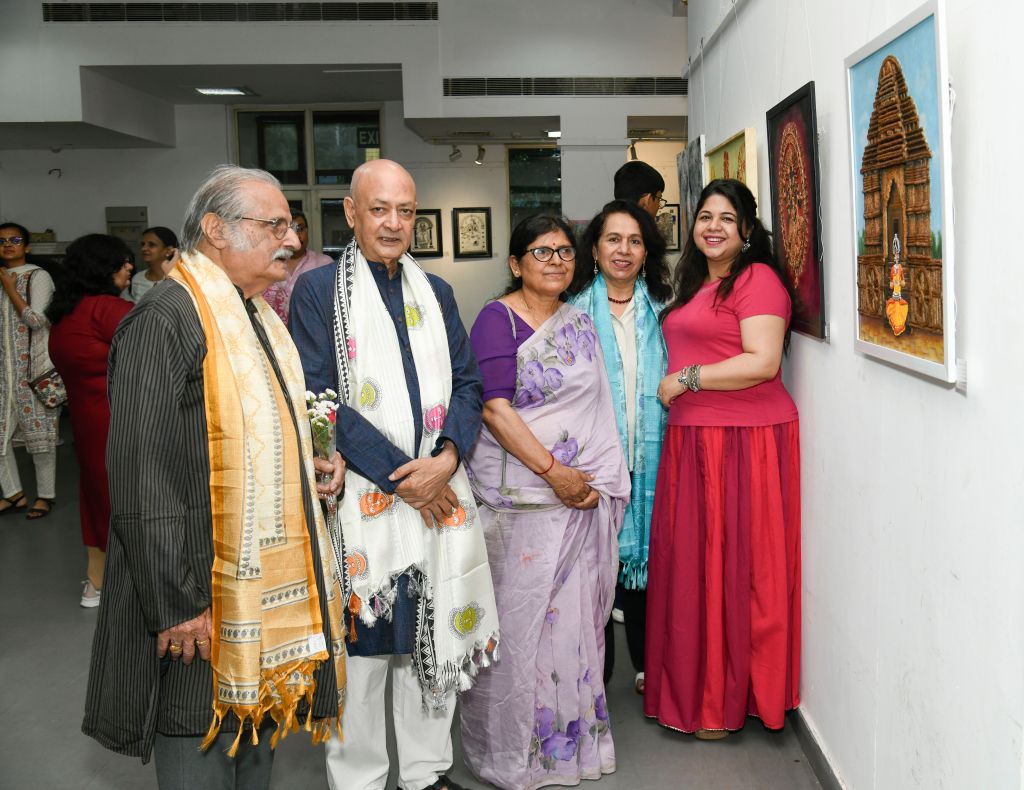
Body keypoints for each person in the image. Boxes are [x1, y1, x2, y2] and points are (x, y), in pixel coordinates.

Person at [82, 165, 348, 788]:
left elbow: (249, 435)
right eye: (273, 224)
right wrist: (178, 604)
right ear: (214, 230)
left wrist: (302, 463)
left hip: (251, 584)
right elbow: (145, 474)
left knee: (254, 742)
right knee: (196, 734)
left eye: (290, 224)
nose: (291, 239)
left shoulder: (252, 315)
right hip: (196, 586)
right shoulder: (166, 319)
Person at [289, 159, 497, 790]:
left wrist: (448, 460)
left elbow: (468, 384)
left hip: (440, 487)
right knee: (364, 646)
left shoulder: (434, 292)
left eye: (405, 210)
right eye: (379, 208)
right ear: (350, 214)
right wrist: (406, 480)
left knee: (428, 636)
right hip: (362, 499)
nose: (393, 222)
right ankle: (358, 778)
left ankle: (427, 773)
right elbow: (317, 395)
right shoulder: (318, 292)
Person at [461, 214, 630, 790]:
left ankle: (568, 750)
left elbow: (598, 411)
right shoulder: (496, 320)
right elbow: (495, 410)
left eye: (564, 252)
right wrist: (556, 474)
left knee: (574, 625)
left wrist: (592, 483)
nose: (556, 261)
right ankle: (515, 755)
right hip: (521, 504)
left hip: (579, 503)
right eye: (541, 252)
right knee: (521, 629)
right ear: (515, 263)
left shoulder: (579, 323)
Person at [648, 178, 801, 738]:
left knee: (735, 571)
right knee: (695, 568)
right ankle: (697, 687)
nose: (712, 227)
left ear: (747, 230)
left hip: (743, 439)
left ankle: (725, 699)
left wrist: (685, 379)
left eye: (726, 219)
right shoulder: (696, 282)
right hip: (695, 438)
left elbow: (762, 362)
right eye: (704, 217)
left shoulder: (757, 280)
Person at [567, 200, 672, 696]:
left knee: (647, 564)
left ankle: (649, 665)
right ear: (595, 249)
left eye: (634, 241)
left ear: (646, 251)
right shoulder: (571, 315)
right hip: (592, 465)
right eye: (613, 239)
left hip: (653, 459)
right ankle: (597, 672)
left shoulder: (667, 311)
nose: (623, 250)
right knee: (592, 568)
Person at [46, 234, 134, 607]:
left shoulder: (65, 312)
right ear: (105, 268)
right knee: (131, 501)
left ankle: (96, 582)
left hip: (87, 421)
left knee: (96, 500)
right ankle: (134, 588)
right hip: (123, 421)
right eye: (123, 263)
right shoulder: (108, 309)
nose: (130, 269)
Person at [0, 221, 61, 520]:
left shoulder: (39, 276)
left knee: (41, 440)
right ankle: (14, 493)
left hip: (33, 373)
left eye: (15, 239)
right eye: (2, 241)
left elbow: (38, 320)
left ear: (27, 246)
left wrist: (11, 289)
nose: (8, 244)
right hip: (3, 375)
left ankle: (45, 496)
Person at [262, 211, 332, 324]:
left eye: (300, 229)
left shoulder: (324, 264)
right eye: (289, 230)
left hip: (311, 335)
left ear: (308, 231)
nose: (297, 236)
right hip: (272, 335)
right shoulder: (266, 264)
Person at [126, 226, 178, 303]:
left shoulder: (180, 279)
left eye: (151, 245)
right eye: (143, 244)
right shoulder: (137, 279)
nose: (144, 248)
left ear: (168, 251)